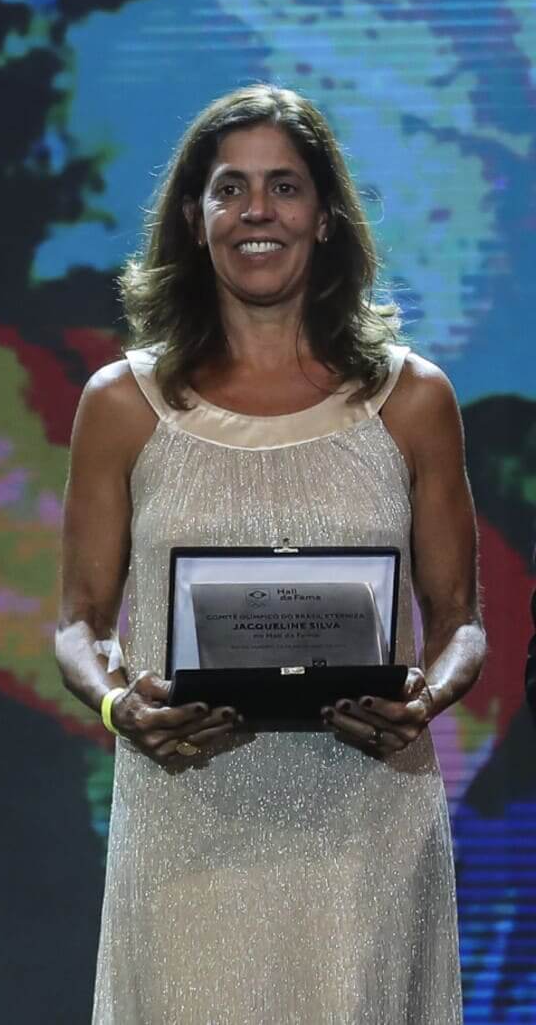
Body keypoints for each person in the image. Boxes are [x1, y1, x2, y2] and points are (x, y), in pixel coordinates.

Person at [56, 84, 485, 1024]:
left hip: (364, 825)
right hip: (186, 815)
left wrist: (426, 695)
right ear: (191, 216)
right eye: (231, 188)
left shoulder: (412, 399)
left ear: (325, 217)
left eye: (284, 188)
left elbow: (460, 624)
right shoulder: (121, 404)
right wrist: (117, 702)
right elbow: (80, 622)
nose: (258, 211)